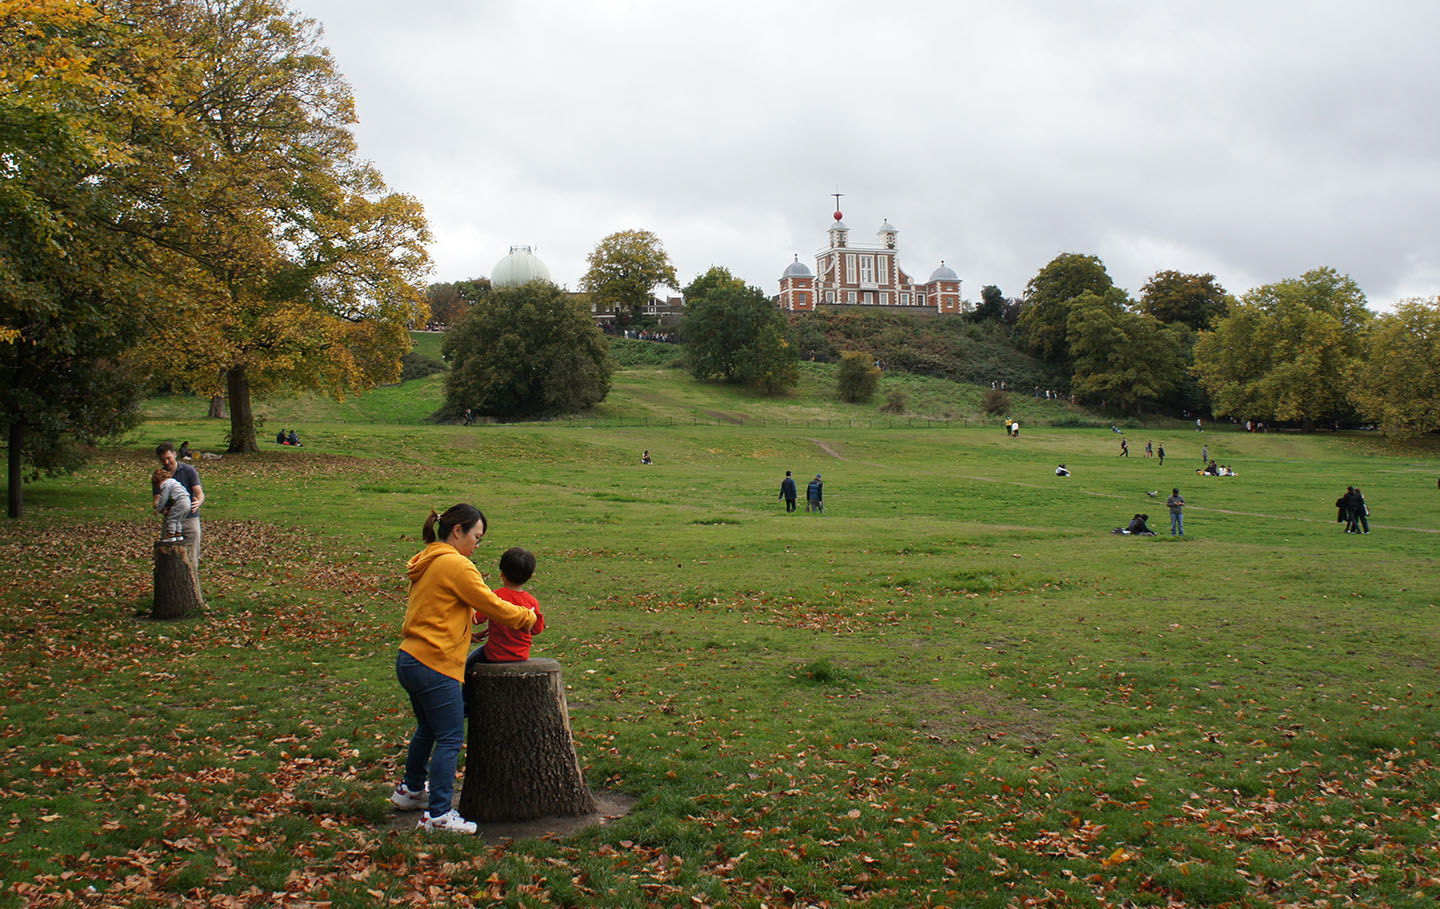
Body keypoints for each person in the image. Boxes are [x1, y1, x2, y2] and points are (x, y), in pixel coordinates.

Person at [392, 505, 540, 835]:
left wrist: (461, 627)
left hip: (410, 657)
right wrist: (527, 618)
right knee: (449, 737)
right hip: (435, 662)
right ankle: (439, 816)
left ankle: (410, 790)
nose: (477, 545)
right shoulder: (457, 564)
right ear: (457, 531)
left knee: (428, 729)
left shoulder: (430, 557)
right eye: (476, 537)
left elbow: (434, 606)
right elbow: (490, 603)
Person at [469, 547, 544, 663]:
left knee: (471, 660)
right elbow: (537, 629)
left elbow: (477, 619)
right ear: (530, 576)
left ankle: (466, 681)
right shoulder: (531, 602)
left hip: (494, 654)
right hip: (521, 654)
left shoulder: (495, 597)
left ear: (501, 573)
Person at [154, 443, 203, 566]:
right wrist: (160, 508)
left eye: (168, 458)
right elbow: (156, 499)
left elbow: (199, 493)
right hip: (172, 518)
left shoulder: (188, 470)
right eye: (162, 459)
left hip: (190, 518)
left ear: (175, 455)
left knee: (192, 557)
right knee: (169, 556)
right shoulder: (159, 476)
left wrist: (199, 502)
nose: (166, 462)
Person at [151, 466, 191, 541]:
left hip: (180, 501)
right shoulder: (173, 481)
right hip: (187, 501)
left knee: (171, 519)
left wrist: (158, 509)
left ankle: (171, 535)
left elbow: (163, 498)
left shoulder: (165, 484)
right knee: (179, 519)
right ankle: (178, 534)